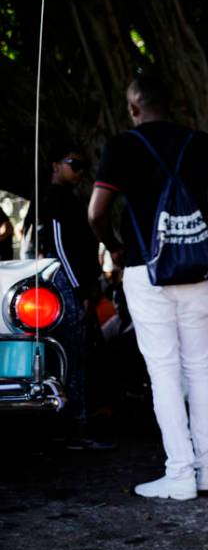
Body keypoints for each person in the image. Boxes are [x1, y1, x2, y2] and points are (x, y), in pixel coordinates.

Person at [88, 73, 208, 500]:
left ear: (135, 107)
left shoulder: (122, 146)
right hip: (195, 271)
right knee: (197, 366)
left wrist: (115, 248)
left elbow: (95, 213)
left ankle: (180, 473)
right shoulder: (200, 142)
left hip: (146, 269)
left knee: (164, 372)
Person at [35, 145, 106, 448]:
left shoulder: (71, 199)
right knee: (70, 359)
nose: (79, 171)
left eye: (83, 166)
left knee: (80, 357)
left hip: (79, 287)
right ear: (55, 165)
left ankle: (78, 426)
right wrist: (78, 289)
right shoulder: (53, 199)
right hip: (67, 289)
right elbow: (59, 249)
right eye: (73, 164)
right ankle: (71, 429)